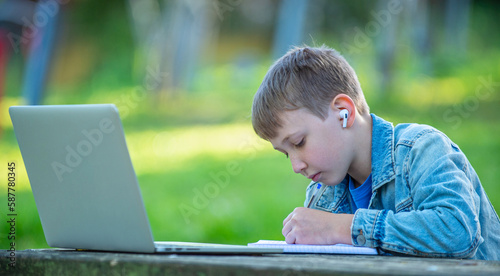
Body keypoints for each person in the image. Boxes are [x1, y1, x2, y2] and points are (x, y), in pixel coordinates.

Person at [251, 45, 500, 260]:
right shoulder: (324, 196)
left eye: (299, 142)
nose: (296, 166)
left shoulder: (422, 148)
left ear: (343, 112)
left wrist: (343, 228)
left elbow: (457, 232)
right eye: (285, 153)